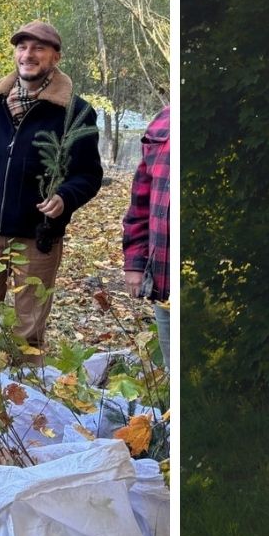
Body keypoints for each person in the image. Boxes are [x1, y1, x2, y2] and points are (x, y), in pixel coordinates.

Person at [0, 21, 103, 353]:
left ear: (55, 56)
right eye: (22, 47)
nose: (28, 55)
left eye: (38, 48)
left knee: (29, 329)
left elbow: (89, 175)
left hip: (39, 236)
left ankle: (23, 396)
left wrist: (65, 197)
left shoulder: (75, 113)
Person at [122, 105, 170, 368]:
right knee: (171, 367)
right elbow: (140, 202)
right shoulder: (163, 121)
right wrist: (135, 263)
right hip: (163, 283)